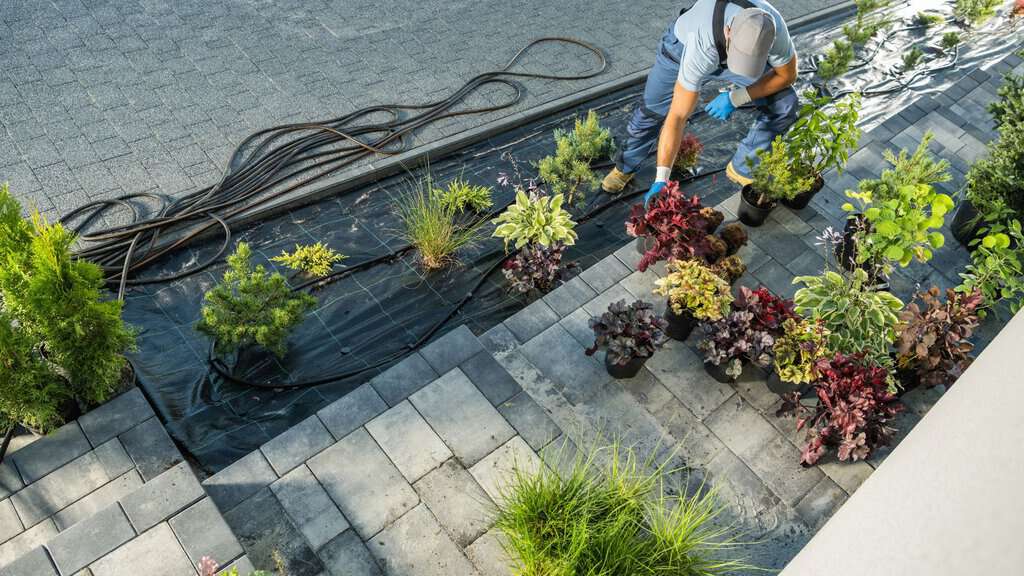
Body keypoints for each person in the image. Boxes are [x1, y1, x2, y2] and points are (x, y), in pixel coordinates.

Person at [601, 0, 799, 204]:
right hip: (680, 52)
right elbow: (678, 115)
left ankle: (742, 167)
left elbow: (787, 75)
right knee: (652, 111)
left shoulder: (773, 28)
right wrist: (662, 179)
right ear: (728, 30)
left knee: (784, 103)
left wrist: (737, 97)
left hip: (726, 50)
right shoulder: (701, 42)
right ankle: (625, 166)